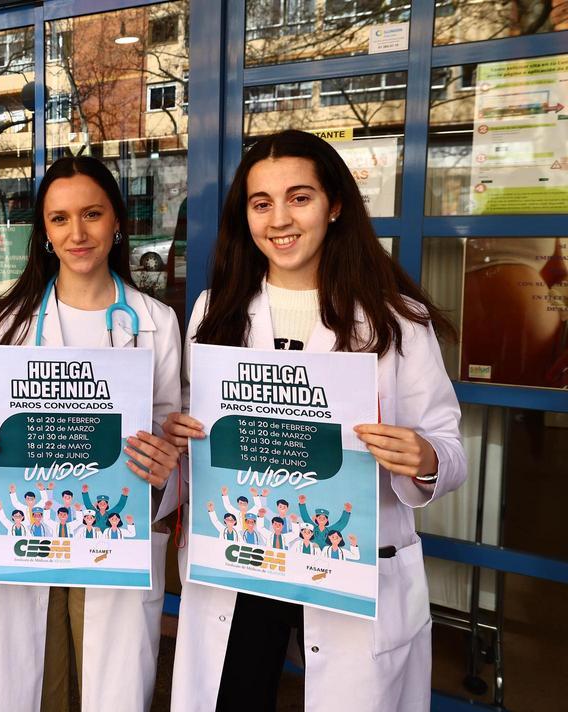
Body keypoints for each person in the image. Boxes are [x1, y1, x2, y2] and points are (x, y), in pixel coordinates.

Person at [164, 130, 466, 711]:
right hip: (243, 558)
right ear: (245, 216)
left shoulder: (397, 319)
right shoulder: (214, 310)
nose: (280, 219)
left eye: (299, 197)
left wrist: (425, 458)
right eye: (261, 203)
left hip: (347, 562)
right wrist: (180, 438)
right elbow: (192, 431)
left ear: (335, 205)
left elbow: (448, 449)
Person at [0, 155, 182, 711]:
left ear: (116, 224)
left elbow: (167, 439)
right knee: (36, 686)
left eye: (92, 214)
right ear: (44, 233)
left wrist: (165, 466)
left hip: (114, 534)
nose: (77, 233)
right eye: (60, 219)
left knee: (110, 685)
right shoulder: (10, 322)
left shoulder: (156, 321)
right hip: (27, 535)